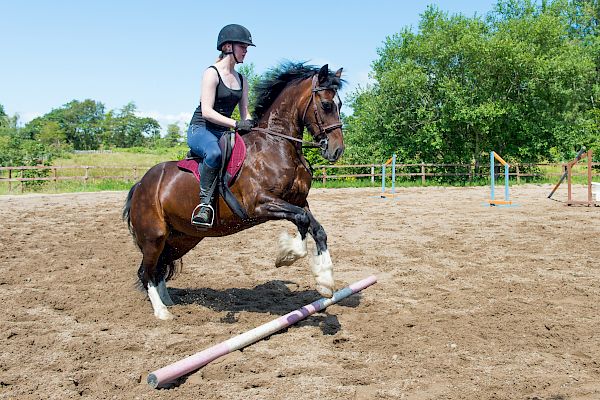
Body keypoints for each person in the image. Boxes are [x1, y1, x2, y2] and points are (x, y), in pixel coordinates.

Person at [187, 24, 256, 227]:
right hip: (201, 129)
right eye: (243, 46)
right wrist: (236, 123)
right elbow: (207, 111)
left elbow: (246, 113)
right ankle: (204, 206)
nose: (246, 50)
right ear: (227, 46)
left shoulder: (242, 80)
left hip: (224, 132)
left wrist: (253, 127)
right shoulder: (211, 73)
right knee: (215, 154)